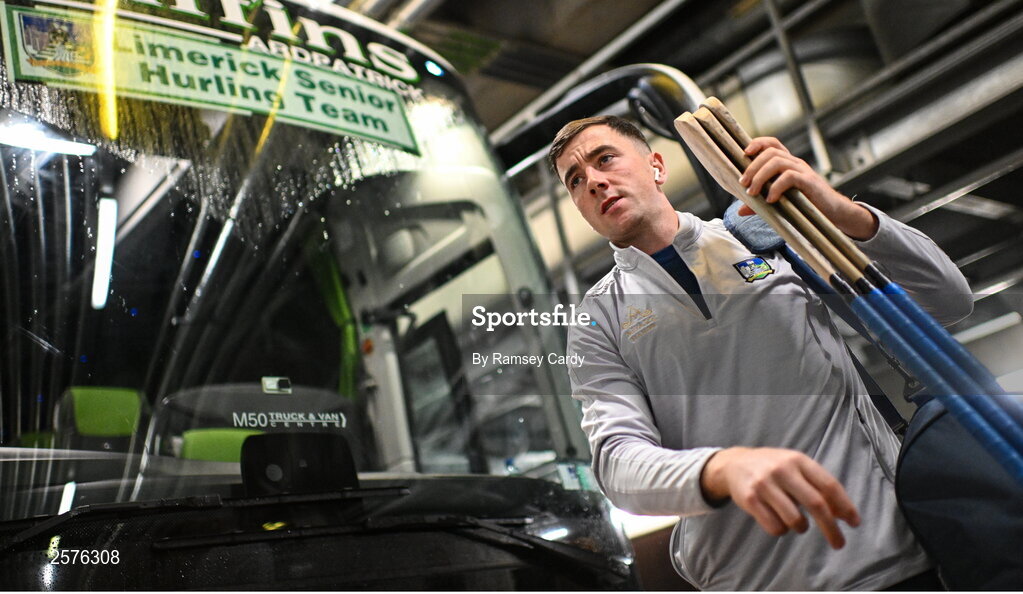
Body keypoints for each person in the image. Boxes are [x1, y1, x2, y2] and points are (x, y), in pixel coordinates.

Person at [549, 115, 973, 590]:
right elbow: (618, 464)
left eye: (605, 159)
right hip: (753, 581)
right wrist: (721, 468)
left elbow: (948, 299)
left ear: (656, 166)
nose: (594, 182)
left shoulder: (763, 235)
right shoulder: (596, 321)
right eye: (576, 180)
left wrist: (838, 210)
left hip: (893, 560)